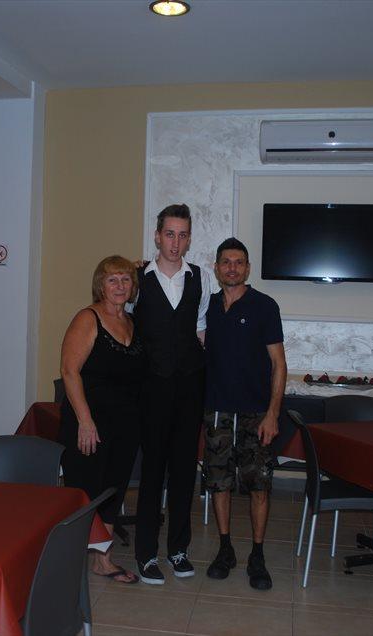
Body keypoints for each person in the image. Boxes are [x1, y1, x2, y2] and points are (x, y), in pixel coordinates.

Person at [133, 203, 214, 585]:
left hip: (188, 388)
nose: (175, 242)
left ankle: (178, 549)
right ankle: (146, 553)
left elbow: (201, 329)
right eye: (169, 234)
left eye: (182, 235)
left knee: (183, 471)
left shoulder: (201, 278)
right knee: (152, 472)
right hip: (151, 388)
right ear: (157, 236)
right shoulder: (137, 279)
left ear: (189, 239)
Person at [202, 237, 287, 590]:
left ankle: (257, 555)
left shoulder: (264, 306)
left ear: (248, 268)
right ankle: (225, 549)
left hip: (256, 413)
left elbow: (279, 364)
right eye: (226, 262)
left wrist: (273, 414)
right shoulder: (207, 306)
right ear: (217, 268)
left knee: (258, 487)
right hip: (217, 412)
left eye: (239, 262)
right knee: (219, 483)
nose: (232, 268)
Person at [59, 255, 145, 584]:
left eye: (126, 279)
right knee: (85, 491)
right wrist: (85, 420)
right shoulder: (88, 318)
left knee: (113, 490)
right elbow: (69, 371)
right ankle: (68, 556)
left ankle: (102, 559)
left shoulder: (132, 323)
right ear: (100, 285)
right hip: (89, 423)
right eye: (112, 280)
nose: (120, 286)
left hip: (125, 424)